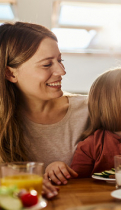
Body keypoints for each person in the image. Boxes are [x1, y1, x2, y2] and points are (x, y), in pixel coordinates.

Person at [0, 22, 89, 197]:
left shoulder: (89, 109)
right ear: (10, 74)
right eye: (47, 65)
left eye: (60, 60)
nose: (61, 71)